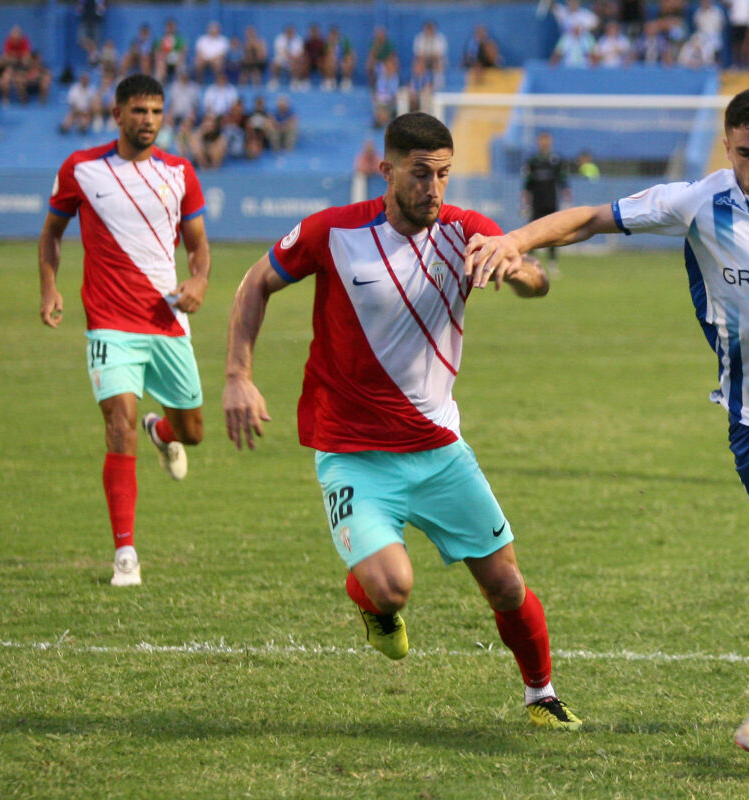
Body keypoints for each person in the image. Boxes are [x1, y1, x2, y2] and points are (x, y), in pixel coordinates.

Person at [466, 88, 749, 747]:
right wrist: (511, 239)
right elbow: (591, 218)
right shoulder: (700, 203)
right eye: (746, 152)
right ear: (728, 148)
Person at [221, 111, 581, 731]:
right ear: (386, 171)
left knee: (506, 586)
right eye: (420, 175)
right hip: (353, 452)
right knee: (392, 586)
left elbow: (538, 280)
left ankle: (541, 695)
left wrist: (517, 266)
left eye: (443, 174)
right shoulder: (332, 233)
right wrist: (236, 375)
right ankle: (375, 608)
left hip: (440, 450)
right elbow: (257, 282)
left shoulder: (468, 231)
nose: (434, 189)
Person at [38, 73, 210, 587]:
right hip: (109, 325)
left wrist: (199, 279)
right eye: (138, 111)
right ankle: (125, 555)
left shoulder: (180, 172)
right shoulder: (81, 169)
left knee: (194, 433)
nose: (149, 121)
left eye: (156, 112)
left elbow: (199, 244)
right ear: (116, 115)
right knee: (118, 426)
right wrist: (49, 288)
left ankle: (163, 432)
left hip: (168, 323)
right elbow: (51, 234)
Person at [522, 131, 570, 276]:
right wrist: (525, 199)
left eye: (547, 140)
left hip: (551, 200)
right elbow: (527, 183)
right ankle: (530, 262)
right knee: (532, 231)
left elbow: (562, 180)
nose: (544, 143)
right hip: (537, 201)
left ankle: (552, 263)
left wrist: (566, 192)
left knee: (554, 231)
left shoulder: (556, 159)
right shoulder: (533, 161)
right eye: (542, 140)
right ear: (538, 142)